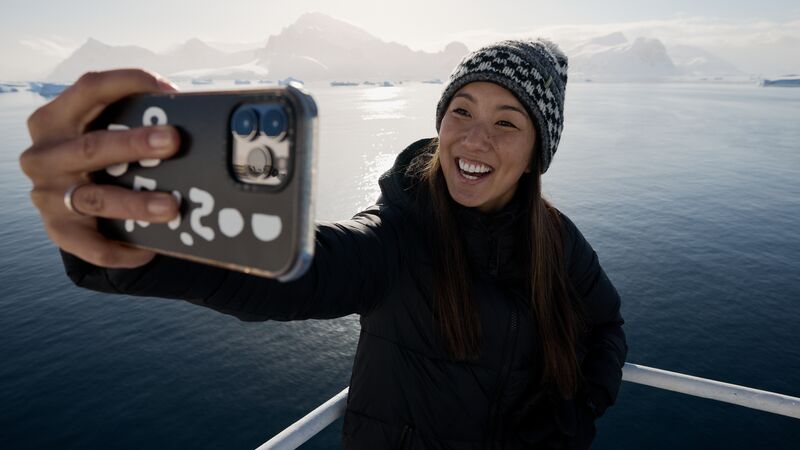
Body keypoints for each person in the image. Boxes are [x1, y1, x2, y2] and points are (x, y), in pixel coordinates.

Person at [20, 38, 627, 449]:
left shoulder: (557, 242)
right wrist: (137, 237)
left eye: (506, 122)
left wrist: (570, 420)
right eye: (461, 111)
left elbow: (606, 326)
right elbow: (302, 270)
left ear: (536, 154)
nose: (473, 139)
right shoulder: (401, 234)